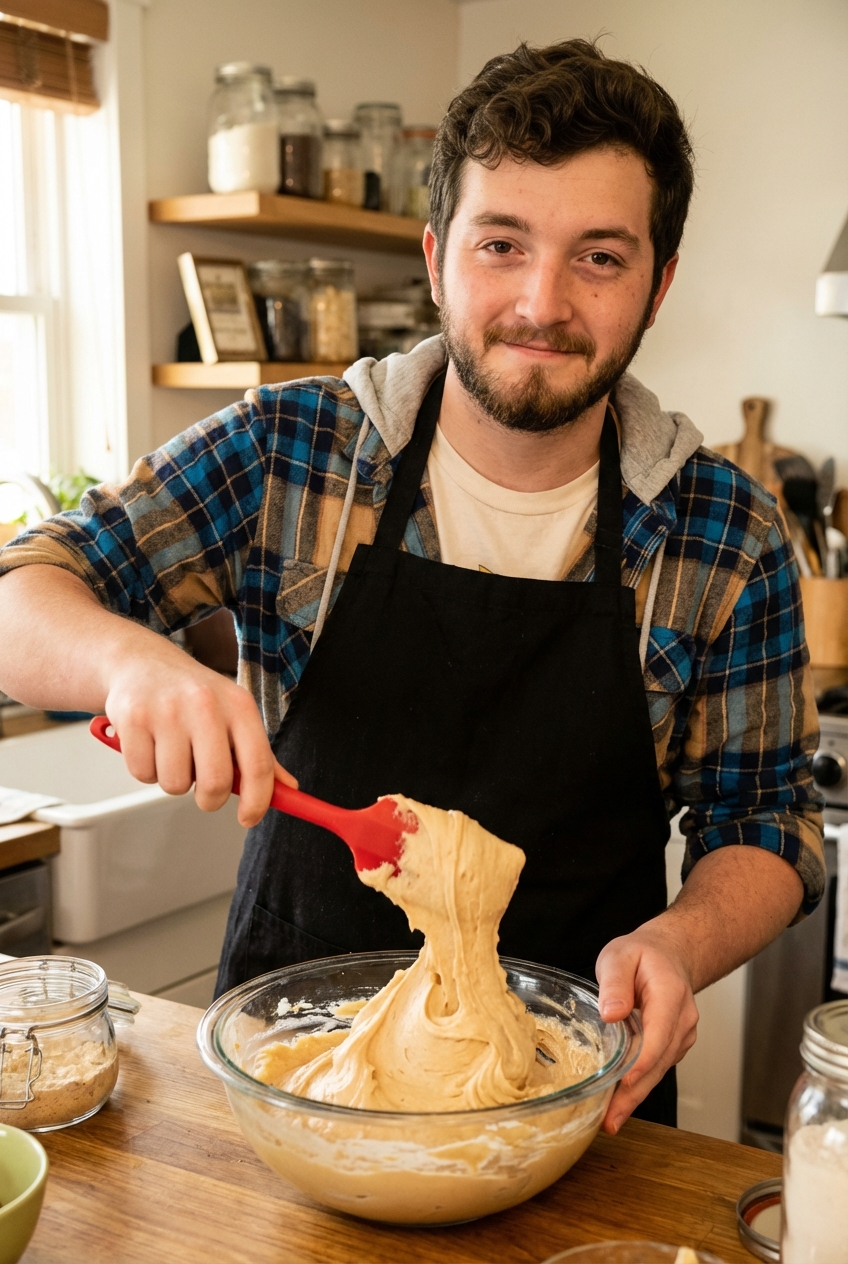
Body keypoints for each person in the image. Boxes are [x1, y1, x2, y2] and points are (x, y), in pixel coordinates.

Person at [0, 40, 824, 1133]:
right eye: (501, 244)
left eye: (598, 257)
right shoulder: (290, 453)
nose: (540, 303)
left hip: (576, 1096)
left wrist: (679, 942)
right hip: (298, 1080)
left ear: (657, 284)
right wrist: (129, 660)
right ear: (436, 258)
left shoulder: (725, 534)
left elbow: (764, 822)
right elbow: (23, 589)